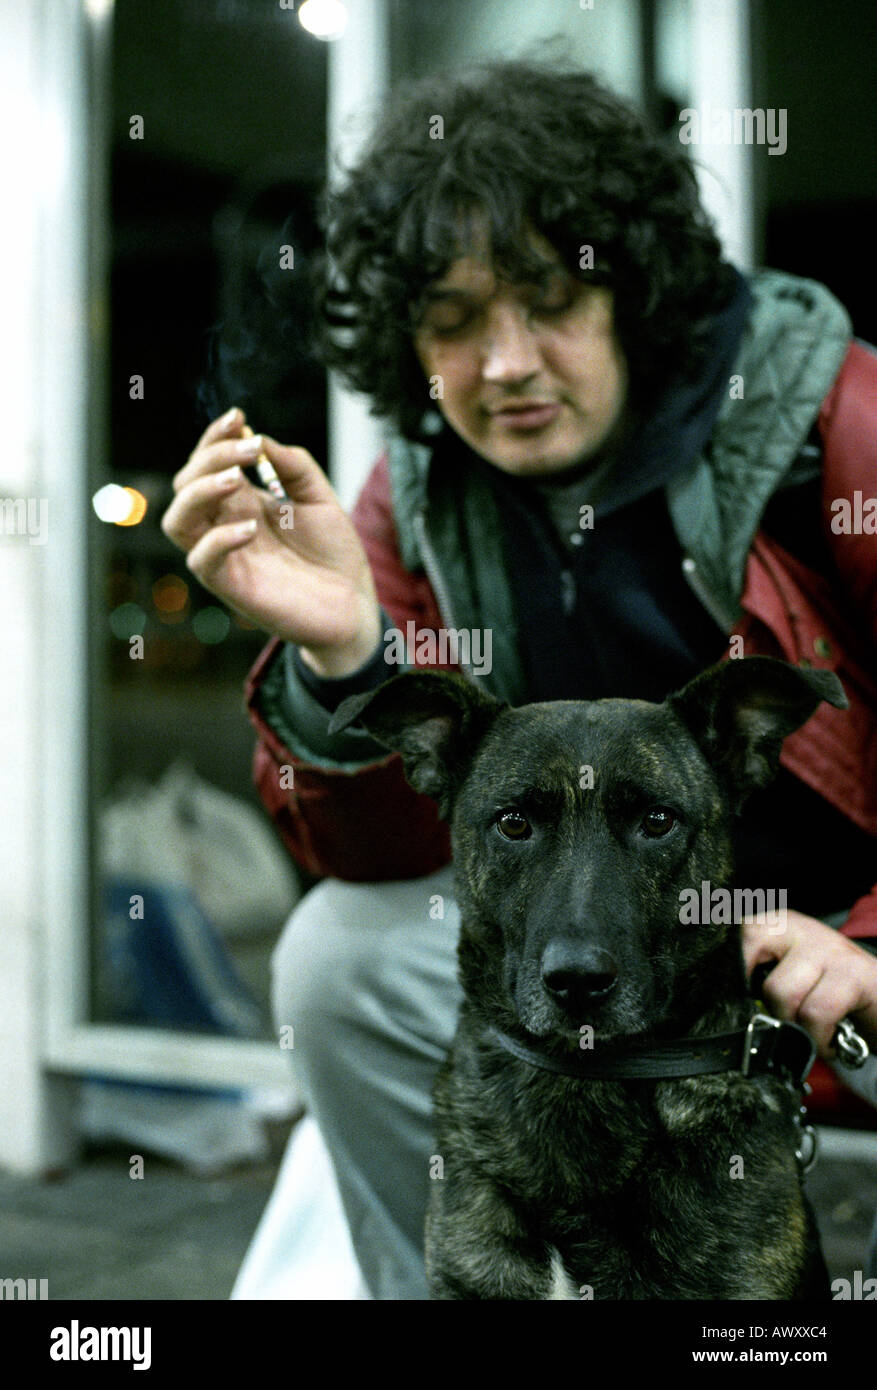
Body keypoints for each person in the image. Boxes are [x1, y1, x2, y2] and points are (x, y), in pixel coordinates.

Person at [162, 60, 877, 1300]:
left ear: (634, 297)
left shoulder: (842, 426)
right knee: (340, 957)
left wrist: (869, 943)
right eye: (451, 319)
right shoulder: (418, 500)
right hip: (610, 955)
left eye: (548, 299)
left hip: (835, 967)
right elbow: (384, 857)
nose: (503, 363)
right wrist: (348, 651)